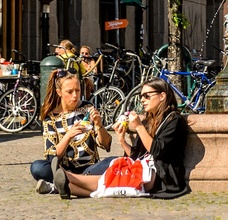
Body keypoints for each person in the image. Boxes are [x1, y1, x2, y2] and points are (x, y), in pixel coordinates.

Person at [52, 78, 190, 199]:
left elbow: (157, 151)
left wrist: (139, 127)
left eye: (147, 96)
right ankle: (65, 186)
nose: (142, 100)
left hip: (163, 176)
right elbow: (136, 156)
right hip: (145, 169)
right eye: (141, 96)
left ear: (162, 96)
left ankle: (67, 178)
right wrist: (122, 140)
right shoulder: (149, 121)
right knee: (119, 173)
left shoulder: (173, 120)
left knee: (120, 176)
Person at [30, 67, 114, 195]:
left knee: (114, 162)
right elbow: (51, 156)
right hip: (63, 170)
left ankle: (59, 187)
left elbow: (106, 145)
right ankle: (75, 184)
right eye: (69, 92)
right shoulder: (51, 117)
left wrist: (99, 125)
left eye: (78, 90)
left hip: (90, 169)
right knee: (37, 167)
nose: (75, 96)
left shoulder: (87, 108)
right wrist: (68, 136)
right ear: (59, 92)